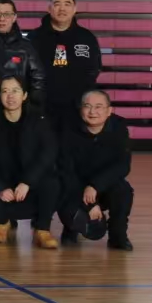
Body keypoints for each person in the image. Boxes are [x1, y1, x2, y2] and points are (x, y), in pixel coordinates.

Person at [0, 76, 59, 249]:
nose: (10, 96)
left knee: (52, 183)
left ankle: (42, 229)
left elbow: (48, 154)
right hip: (2, 187)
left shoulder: (38, 119)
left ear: (25, 95)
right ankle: (2, 222)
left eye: (15, 91)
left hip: (28, 186)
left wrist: (28, 182)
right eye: (5, 91)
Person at [57, 90, 133, 251]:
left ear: (109, 111)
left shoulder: (119, 128)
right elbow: (65, 170)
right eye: (87, 106)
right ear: (81, 109)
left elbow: (122, 165)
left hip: (102, 184)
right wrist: (91, 205)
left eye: (98, 107)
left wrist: (95, 185)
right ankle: (70, 230)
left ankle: (118, 236)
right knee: (59, 188)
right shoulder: (67, 129)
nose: (92, 112)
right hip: (75, 185)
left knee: (123, 190)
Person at [28, 0, 102, 132]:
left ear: (74, 9)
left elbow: (94, 70)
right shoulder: (34, 38)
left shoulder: (86, 38)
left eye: (67, 4)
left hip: (76, 109)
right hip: (41, 109)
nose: (62, 8)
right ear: (49, 8)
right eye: (57, 4)